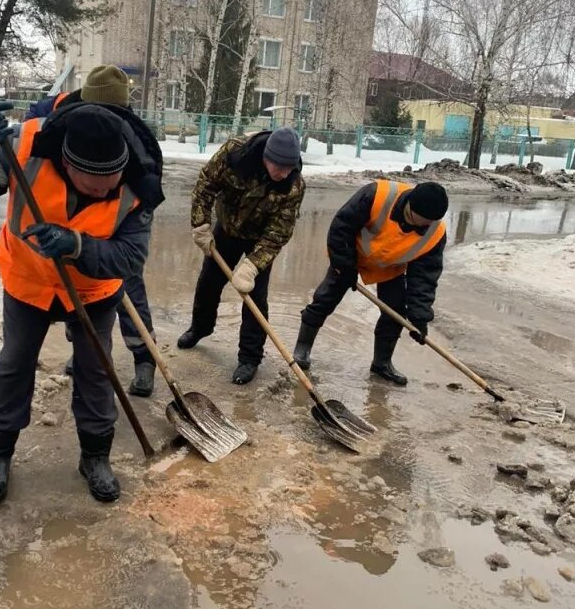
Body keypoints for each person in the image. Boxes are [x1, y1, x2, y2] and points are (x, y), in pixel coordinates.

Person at [0, 99, 154, 505]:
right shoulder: (24, 149)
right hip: (28, 280)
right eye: (94, 185)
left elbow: (131, 257)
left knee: (96, 370)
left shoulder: (140, 175)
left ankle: (95, 456)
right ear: (67, 165)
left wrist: (77, 244)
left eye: (112, 181)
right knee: (15, 364)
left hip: (94, 290)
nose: (105, 191)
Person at [27, 65, 164, 398]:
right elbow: (31, 131)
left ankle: (144, 359)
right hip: (67, 231)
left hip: (115, 231)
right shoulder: (56, 115)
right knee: (78, 298)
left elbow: (148, 186)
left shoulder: (132, 135)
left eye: (112, 111)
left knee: (130, 291)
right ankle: (83, 350)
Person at [178, 126, 305, 385]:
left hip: (260, 240)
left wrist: (252, 265)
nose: (282, 174)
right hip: (227, 229)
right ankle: (200, 328)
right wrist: (200, 224)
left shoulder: (293, 186)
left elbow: (279, 233)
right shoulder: (234, 154)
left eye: (288, 169)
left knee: (255, 297)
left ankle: (250, 358)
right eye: (278, 167)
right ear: (266, 157)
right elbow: (205, 185)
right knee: (208, 284)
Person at [292, 179, 448, 385]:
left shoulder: (435, 232)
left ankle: (382, 363)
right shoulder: (377, 195)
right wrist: (344, 266)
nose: (423, 227)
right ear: (410, 206)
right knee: (325, 298)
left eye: (428, 223)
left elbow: (424, 278)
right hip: (350, 255)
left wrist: (419, 317)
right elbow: (341, 228)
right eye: (420, 221)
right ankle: (302, 348)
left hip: (391, 266)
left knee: (395, 312)